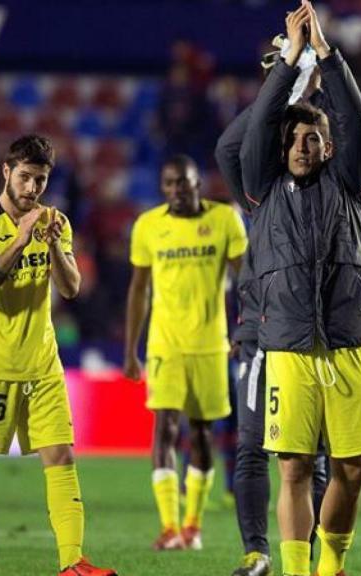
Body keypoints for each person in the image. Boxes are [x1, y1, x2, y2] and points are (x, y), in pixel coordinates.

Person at [235, 3, 361, 574]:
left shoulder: (348, 182)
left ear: (328, 147)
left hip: (345, 343)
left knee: (353, 469)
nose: (300, 145)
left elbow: (358, 122)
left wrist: (326, 53)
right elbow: (262, 123)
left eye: (312, 137)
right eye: (293, 138)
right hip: (288, 347)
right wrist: (289, 59)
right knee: (293, 467)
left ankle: (331, 563)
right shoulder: (262, 185)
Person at [0, 134, 115, 576]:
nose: (32, 189)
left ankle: (72, 562)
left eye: (40, 180)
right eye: (25, 177)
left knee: (61, 457)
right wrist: (22, 240)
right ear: (6, 172)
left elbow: (71, 287)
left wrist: (55, 245)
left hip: (43, 363)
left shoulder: (55, 220)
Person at [214, 35, 329, 575]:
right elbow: (227, 149)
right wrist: (286, 82)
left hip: (326, 332)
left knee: (319, 455)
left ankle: (325, 554)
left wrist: (311, 84)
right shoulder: (260, 185)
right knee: (253, 446)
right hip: (263, 331)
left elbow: (351, 136)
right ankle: (257, 551)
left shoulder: (333, 172)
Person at [123, 154, 247, 551]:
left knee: (202, 433)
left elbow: (245, 278)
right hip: (165, 344)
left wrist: (248, 327)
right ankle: (169, 527)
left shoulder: (225, 221)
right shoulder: (148, 226)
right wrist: (130, 349)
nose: (177, 190)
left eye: (184, 183)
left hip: (211, 344)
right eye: (169, 184)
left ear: (199, 184)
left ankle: (193, 524)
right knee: (165, 427)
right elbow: (139, 289)